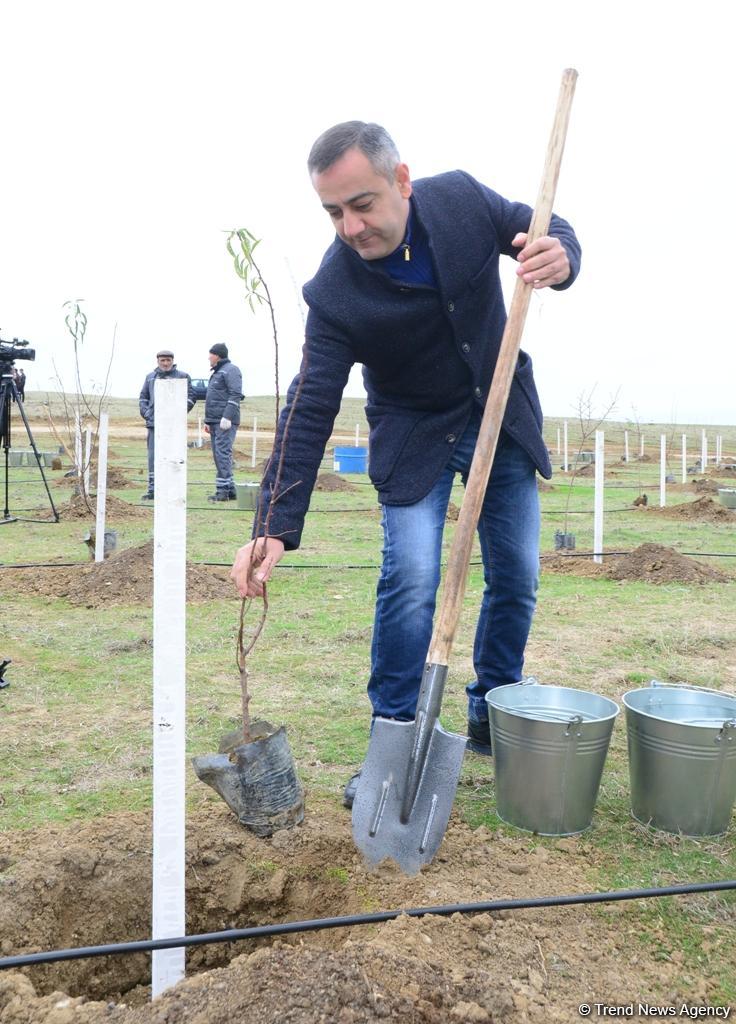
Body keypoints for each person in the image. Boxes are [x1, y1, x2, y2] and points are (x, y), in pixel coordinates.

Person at [231, 121, 581, 807]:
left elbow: (542, 225)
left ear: (401, 181)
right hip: (414, 433)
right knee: (413, 578)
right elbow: (310, 407)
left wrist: (561, 253)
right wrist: (274, 521)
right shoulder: (334, 294)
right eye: (334, 212)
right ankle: (392, 735)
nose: (351, 226)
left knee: (517, 574)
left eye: (362, 204)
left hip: (497, 411)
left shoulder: (461, 203)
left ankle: (492, 707)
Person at [138, 349, 196, 500]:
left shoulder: (183, 377)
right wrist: (147, 413)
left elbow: (191, 397)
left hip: (175, 427)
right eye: (162, 360)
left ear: (172, 361)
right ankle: (153, 489)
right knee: (153, 457)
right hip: (154, 425)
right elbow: (143, 398)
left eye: (168, 360)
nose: (165, 363)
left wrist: (179, 413)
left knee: (174, 456)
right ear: (157, 361)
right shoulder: (150, 377)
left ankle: (174, 488)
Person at [204, 343, 243, 501]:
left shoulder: (231, 370)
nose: (209, 358)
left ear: (218, 355)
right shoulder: (218, 372)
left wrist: (227, 417)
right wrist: (208, 421)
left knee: (222, 454)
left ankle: (223, 492)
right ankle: (230, 489)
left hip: (225, 421)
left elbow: (235, 394)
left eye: (210, 354)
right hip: (214, 421)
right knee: (218, 454)